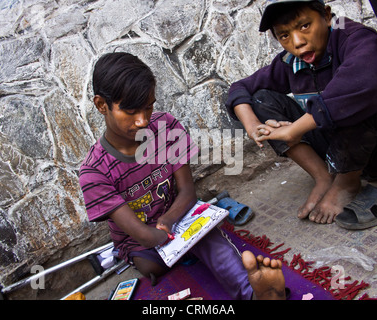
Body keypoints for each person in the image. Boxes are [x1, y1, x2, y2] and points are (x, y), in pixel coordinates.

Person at [79, 51, 286, 300]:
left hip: (179, 215)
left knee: (208, 239)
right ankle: (189, 250)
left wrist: (169, 222)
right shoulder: (94, 172)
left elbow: (187, 191)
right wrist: (164, 236)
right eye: (131, 111)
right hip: (140, 240)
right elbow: (142, 235)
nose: (143, 120)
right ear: (102, 105)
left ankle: (253, 292)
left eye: (148, 106)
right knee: (152, 267)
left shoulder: (165, 127)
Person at [225, 0, 377, 226]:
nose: (298, 42)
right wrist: (252, 124)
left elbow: (360, 86)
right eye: (284, 36)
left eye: (305, 26)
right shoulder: (290, 62)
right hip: (342, 150)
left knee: (350, 99)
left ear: (326, 16)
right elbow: (240, 87)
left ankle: (346, 184)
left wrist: (293, 130)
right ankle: (324, 177)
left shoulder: (355, 37)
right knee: (261, 98)